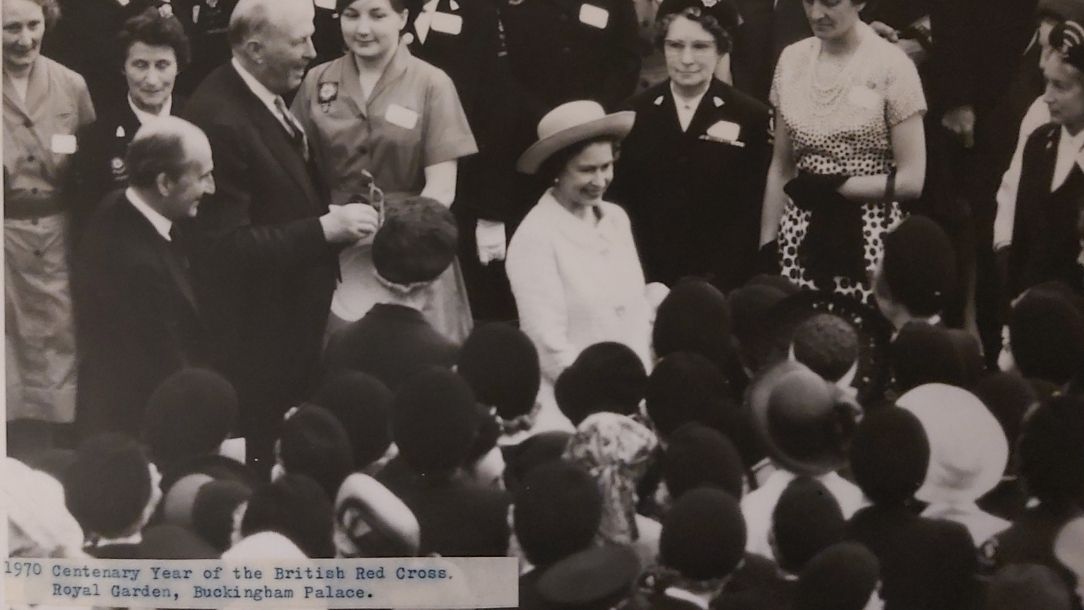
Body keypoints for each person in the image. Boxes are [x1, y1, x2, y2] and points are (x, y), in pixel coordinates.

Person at [182, 0, 379, 476]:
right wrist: (324, 229)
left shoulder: (259, 97)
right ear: (254, 49)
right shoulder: (221, 119)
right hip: (258, 345)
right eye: (298, 41)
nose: (312, 51)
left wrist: (325, 218)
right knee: (261, 462)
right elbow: (223, 247)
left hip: (287, 329)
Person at [291, 0, 478, 344]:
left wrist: (400, 239)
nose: (362, 28)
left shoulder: (431, 83)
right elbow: (295, 168)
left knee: (423, 358)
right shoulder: (317, 81)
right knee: (343, 354)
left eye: (377, 15)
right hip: (338, 242)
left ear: (402, 18)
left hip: (414, 248)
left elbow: (442, 187)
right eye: (351, 15)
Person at [759, 0, 927, 305]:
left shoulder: (892, 66)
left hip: (869, 239)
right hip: (799, 236)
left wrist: (835, 187)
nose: (815, 14)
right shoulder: (791, 60)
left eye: (830, 2)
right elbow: (781, 166)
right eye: (808, 1)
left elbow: (912, 180)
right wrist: (768, 245)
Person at [507, 101, 653, 428]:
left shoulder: (616, 218)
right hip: (575, 410)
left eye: (606, 166)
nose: (600, 181)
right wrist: (603, 405)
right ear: (556, 170)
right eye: (586, 170)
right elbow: (546, 343)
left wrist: (639, 391)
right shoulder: (535, 237)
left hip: (635, 401)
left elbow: (637, 311)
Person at [609, 0, 771, 292]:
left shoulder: (750, 116)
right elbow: (623, 202)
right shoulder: (634, 113)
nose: (686, 59)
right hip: (647, 277)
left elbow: (751, 208)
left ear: (721, 49)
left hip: (723, 280)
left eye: (700, 46)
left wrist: (724, 278)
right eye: (675, 45)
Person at [74, 117, 214, 439]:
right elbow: (161, 367)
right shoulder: (135, 262)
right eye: (203, 176)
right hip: (140, 427)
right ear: (164, 184)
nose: (211, 188)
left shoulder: (123, 208)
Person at [4, 0, 96, 453]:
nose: (24, 39)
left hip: (60, 236)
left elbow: (92, 164)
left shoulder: (71, 85)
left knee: (61, 340)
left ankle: (58, 458)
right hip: (4, 238)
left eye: (33, 25)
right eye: (10, 28)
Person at [74, 6, 190, 228]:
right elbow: (90, 219)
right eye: (140, 65)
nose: (152, 80)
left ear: (178, 67)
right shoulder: (98, 137)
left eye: (162, 65)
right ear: (123, 67)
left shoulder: (197, 119)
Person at [994, 20, 1084, 299]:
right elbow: (1020, 233)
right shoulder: (1039, 142)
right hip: (1028, 310)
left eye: (1060, 86)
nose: (1047, 97)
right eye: (1047, 82)